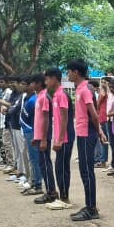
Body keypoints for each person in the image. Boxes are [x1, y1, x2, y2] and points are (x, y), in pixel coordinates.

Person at [69, 60, 107, 221]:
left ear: (76, 72)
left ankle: (91, 209)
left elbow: (94, 114)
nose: (68, 74)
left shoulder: (85, 89)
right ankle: (89, 205)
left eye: (69, 71)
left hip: (86, 134)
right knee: (84, 170)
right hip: (83, 133)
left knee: (87, 171)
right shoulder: (80, 88)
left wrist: (99, 132)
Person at [44, 68, 75, 210]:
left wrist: (60, 139)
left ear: (54, 78)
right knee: (59, 167)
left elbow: (64, 118)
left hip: (65, 137)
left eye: (47, 79)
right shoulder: (56, 95)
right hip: (61, 136)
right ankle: (62, 196)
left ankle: (64, 198)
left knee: (62, 168)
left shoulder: (62, 95)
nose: (46, 82)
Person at [31, 74, 58, 205]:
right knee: (42, 164)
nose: (31, 85)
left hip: (44, 137)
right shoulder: (39, 96)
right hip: (39, 136)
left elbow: (46, 119)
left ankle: (51, 192)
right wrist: (36, 137)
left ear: (38, 83)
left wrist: (43, 139)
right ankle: (49, 190)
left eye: (33, 83)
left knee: (45, 164)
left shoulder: (44, 97)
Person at [18, 76, 45, 197]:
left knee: (35, 159)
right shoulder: (27, 98)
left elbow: (37, 120)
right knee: (32, 159)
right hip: (27, 131)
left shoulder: (34, 100)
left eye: (25, 84)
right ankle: (34, 182)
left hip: (32, 132)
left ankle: (38, 184)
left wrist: (35, 134)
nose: (21, 86)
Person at [93, 80, 109, 169]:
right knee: (103, 140)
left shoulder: (103, 94)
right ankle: (102, 160)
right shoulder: (105, 94)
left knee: (104, 140)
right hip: (102, 117)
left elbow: (98, 103)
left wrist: (102, 89)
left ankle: (102, 160)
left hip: (103, 117)